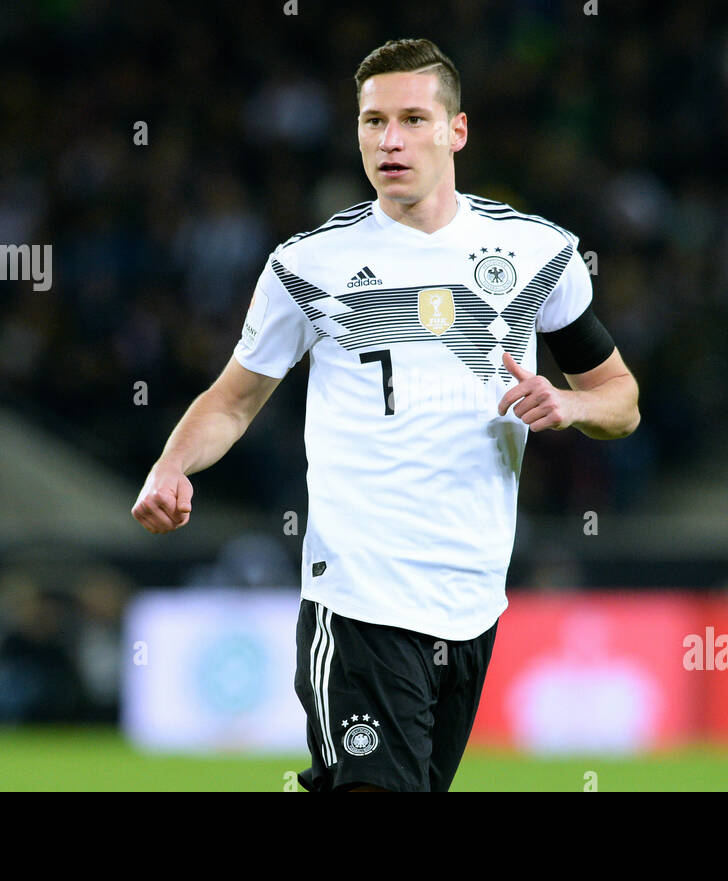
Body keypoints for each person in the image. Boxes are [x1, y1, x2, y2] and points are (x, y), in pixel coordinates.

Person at [131, 38, 640, 791]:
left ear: (455, 131)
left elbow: (621, 399)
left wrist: (569, 402)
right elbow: (232, 401)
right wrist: (172, 463)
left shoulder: (536, 254)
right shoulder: (308, 266)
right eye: (372, 122)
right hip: (360, 596)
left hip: (472, 600)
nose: (389, 140)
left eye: (410, 118)